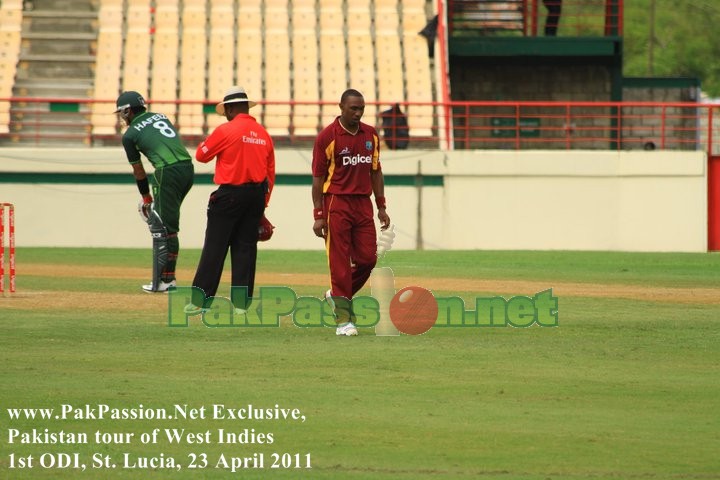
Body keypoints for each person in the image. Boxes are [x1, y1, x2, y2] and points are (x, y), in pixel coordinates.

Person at [185, 86, 275, 314]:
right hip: (255, 196)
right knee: (246, 248)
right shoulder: (263, 134)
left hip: (229, 194)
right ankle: (241, 304)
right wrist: (263, 205)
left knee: (215, 247)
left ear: (232, 108)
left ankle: (200, 301)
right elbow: (270, 173)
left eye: (225, 109)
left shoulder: (226, 130)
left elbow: (201, 155)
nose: (224, 113)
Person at [311, 89, 391, 336]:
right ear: (341, 107)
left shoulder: (371, 135)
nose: (358, 113)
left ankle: (336, 295)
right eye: (353, 108)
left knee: (368, 259)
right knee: (340, 264)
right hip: (336, 203)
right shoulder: (327, 137)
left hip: (362, 204)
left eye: (361, 108)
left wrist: (381, 206)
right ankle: (344, 321)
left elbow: (375, 171)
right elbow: (317, 179)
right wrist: (318, 215)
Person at [114, 91, 194, 293]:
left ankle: (162, 282)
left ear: (127, 111)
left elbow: (138, 170)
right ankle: (168, 279)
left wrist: (146, 198)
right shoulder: (161, 116)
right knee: (169, 227)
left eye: (122, 114)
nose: (122, 118)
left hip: (167, 172)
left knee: (162, 228)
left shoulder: (130, 135)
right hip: (187, 169)